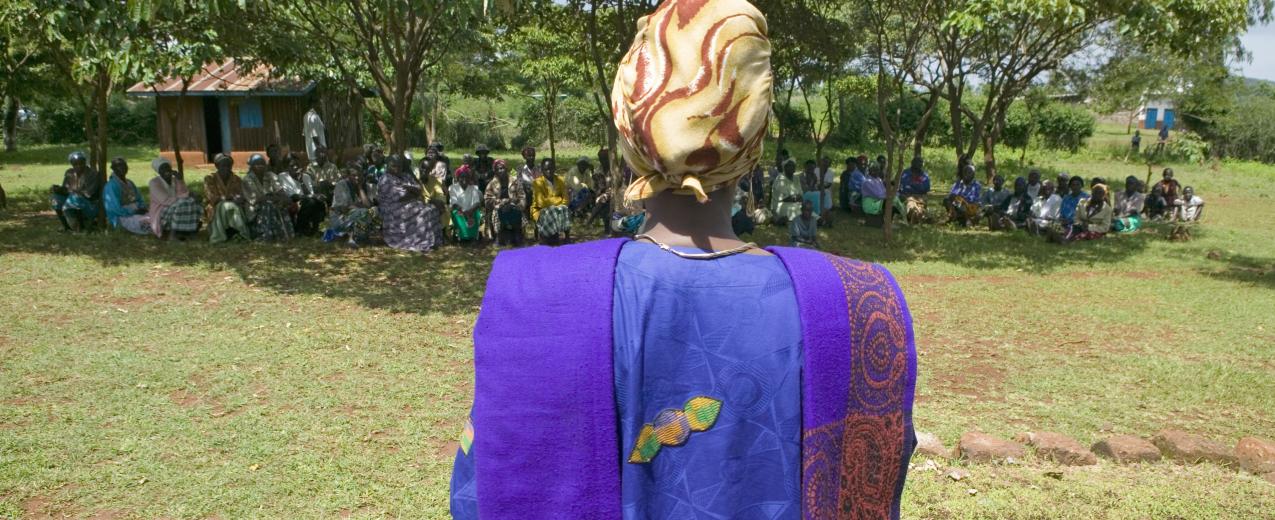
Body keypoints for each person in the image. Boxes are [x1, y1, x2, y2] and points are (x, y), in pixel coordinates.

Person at [450, 2, 915, 517]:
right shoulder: (855, 304)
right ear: (752, 141)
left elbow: (483, 490)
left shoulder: (535, 296)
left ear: (627, 128)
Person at [378, 154, 442, 253]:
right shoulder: (385, 179)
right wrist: (413, 191)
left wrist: (411, 190)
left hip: (410, 204)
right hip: (393, 209)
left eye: (399, 166)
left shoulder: (405, 176)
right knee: (424, 212)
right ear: (387, 166)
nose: (397, 168)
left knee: (432, 209)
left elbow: (419, 189)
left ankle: (433, 241)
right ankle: (421, 242)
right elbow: (401, 197)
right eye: (393, 166)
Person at [324, 163, 379, 247]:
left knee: (375, 210)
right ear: (348, 176)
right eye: (354, 175)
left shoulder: (367, 187)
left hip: (359, 216)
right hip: (340, 217)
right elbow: (345, 208)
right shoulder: (341, 185)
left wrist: (360, 188)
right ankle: (354, 238)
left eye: (359, 175)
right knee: (364, 212)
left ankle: (361, 237)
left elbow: (369, 206)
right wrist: (361, 207)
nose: (357, 177)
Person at [146, 158, 201, 240]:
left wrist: (179, 180)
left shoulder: (174, 180)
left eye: (167, 167)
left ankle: (190, 230)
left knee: (192, 202)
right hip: (161, 209)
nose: (166, 170)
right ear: (158, 171)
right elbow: (165, 200)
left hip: (175, 204)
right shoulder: (154, 183)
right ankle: (173, 234)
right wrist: (186, 196)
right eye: (162, 168)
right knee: (181, 204)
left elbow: (183, 193)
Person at [243, 154, 294, 242]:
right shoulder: (248, 179)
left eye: (263, 164)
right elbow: (257, 199)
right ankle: (264, 235)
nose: (261, 166)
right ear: (251, 166)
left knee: (281, 204)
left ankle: (283, 235)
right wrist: (275, 198)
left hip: (271, 202)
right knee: (268, 205)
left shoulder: (271, 175)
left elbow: (281, 192)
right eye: (257, 164)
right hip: (256, 210)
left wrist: (281, 199)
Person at [204, 154, 251, 243]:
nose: (226, 168)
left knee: (233, 206)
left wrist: (239, 198)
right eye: (223, 165)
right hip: (215, 206)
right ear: (217, 166)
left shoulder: (236, 179)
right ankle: (220, 235)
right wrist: (230, 198)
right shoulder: (210, 179)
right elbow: (212, 197)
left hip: (234, 205)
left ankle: (237, 232)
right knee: (226, 205)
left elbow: (241, 195)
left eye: (229, 165)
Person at [50, 151, 101, 232]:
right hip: (72, 202)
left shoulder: (93, 174)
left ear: (85, 162)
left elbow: (88, 194)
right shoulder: (69, 173)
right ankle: (66, 227)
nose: (78, 166)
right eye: (75, 164)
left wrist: (69, 191)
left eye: (81, 163)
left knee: (75, 198)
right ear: (72, 164)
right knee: (55, 199)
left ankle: (81, 228)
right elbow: (65, 189)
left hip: (90, 205)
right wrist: (58, 190)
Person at [279, 152, 326, 236]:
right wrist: (311, 196)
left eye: (297, 164)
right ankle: (300, 229)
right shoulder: (283, 177)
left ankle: (314, 229)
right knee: (310, 202)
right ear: (287, 167)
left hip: (307, 200)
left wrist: (301, 182)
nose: (295, 167)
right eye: (292, 166)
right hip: (293, 201)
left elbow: (310, 193)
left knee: (319, 202)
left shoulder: (306, 177)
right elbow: (292, 195)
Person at [484, 159, 526, 247]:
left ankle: (517, 234)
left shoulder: (515, 181)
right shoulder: (491, 184)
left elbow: (522, 196)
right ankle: (499, 236)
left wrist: (518, 205)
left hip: (513, 205)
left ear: (506, 169)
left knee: (515, 211)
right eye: (498, 169)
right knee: (499, 211)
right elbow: (487, 200)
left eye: (503, 168)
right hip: (499, 207)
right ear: (495, 171)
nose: (501, 170)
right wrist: (499, 202)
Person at [102, 158, 150, 235]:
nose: (122, 168)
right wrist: (133, 212)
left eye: (124, 165)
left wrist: (142, 208)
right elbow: (115, 209)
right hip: (122, 217)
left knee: (157, 217)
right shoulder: (110, 186)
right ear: (113, 169)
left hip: (136, 212)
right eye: (118, 166)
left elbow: (139, 199)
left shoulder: (130, 183)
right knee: (148, 223)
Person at [531, 157, 571, 244]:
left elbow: (566, 199)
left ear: (554, 168)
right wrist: (559, 199)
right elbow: (541, 203)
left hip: (558, 208)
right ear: (542, 170)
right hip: (540, 210)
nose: (549, 171)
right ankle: (548, 237)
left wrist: (555, 203)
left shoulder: (560, 180)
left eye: (551, 168)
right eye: (546, 169)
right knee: (551, 210)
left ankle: (566, 237)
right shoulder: (537, 182)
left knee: (564, 208)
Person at [449, 166, 484, 243]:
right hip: (458, 210)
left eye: (466, 177)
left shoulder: (474, 188)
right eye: (461, 177)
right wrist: (463, 211)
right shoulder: (453, 188)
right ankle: (462, 236)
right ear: (458, 178)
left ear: (469, 178)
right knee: (458, 215)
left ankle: (473, 236)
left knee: (476, 214)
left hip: (471, 211)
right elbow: (454, 203)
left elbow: (477, 203)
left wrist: (470, 211)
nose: (464, 179)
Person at [899, 156, 931, 224]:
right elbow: (904, 186)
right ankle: (916, 215)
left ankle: (919, 215)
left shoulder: (924, 175)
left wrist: (912, 184)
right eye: (917, 163)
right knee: (911, 205)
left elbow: (926, 188)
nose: (919, 165)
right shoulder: (905, 173)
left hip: (920, 196)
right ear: (912, 163)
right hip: (907, 196)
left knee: (920, 206)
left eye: (920, 163)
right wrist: (917, 185)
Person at [769, 159, 801, 224]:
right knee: (795, 209)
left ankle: (818, 220)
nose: (793, 167)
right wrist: (795, 198)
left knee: (806, 208)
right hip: (781, 204)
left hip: (795, 203)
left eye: (793, 166)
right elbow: (785, 198)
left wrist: (796, 198)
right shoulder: (780, 179)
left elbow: (800, 194)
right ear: (785, 168)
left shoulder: (796, 178)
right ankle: (781, 220)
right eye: (790, 166)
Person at [817, 156, 835, 222]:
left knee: (826, 192)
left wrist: (821, 187)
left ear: (829, 164)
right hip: (815, 188)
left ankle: (827, 210)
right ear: (820, 162)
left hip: (825, 189)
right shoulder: (816, 170)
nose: (825, 163)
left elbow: (829, 184)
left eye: (827, 162)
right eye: (823, 161)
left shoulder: (831, 172)